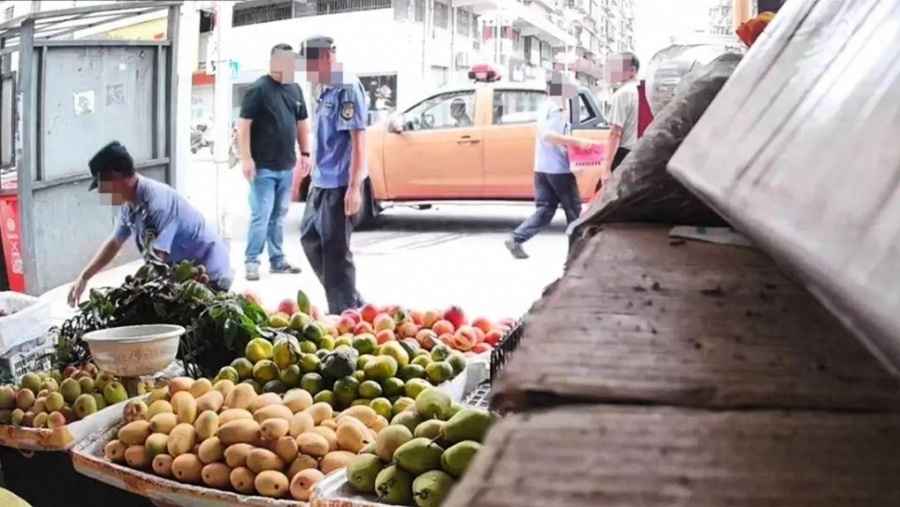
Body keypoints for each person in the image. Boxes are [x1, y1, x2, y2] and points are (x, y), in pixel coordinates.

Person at [67, 141, 232, 306]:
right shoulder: (129, 204)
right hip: (183, 277)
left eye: (101, 184)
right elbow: (114, 243)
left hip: (209, 275)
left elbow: (157, 260)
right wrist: (84, 276)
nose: (101, 191)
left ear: (116, 176)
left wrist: (130, 294)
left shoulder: (157, 203)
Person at [298, 35, 367, 314]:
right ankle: (352, 302)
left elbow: (358, 140)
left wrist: (354, 187)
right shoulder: (324, 88)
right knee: (310, 239)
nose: (308, 72)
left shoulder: (347, 87)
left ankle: (344, 313)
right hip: (321, 181)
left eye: (311, 64)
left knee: (336, 253)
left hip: (339, 183)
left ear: (326, 57)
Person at [505, 72, 601, 260]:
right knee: (574, 214)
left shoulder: (544, 106)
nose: (574, 89)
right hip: (558, 170)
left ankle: (516, 238)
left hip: (542, 168)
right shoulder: (557, 109)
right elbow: (548, 136)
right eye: (570, 86)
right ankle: (576, 257)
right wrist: (577, 142)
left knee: (545, 209)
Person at [238, 43, 312, 281]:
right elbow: (244, 126)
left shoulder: (295, 89)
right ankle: (252, 261)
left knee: (279, 215)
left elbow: (302, 124)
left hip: (286, 166)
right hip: (263, 168)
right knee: (262, 214)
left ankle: (278, 261)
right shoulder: (258, 89)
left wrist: (306, 153)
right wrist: (246, 158)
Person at [600, 52, 641, 185]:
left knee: (603, 200)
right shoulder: (642, 92)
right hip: (639, 153)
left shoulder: (622, 94)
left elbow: (615, 133)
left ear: (632, 71)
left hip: (622, 155)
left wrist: (606, 169)